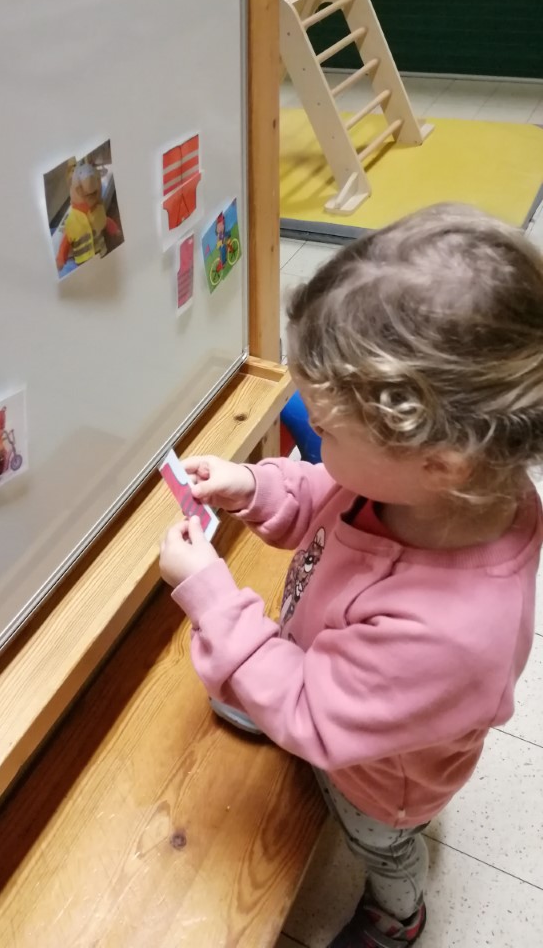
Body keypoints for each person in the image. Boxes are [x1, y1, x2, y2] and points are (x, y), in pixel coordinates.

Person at [159, 204, 543, 948]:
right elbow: (328, 493)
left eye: (327, 430)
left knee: (381, 845)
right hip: (344, 685)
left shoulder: (451, 632)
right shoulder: (441, 489)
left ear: (441, 463)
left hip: (378, 777)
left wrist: (211, 598)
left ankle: (399, 916)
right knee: (283, 693)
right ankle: (272, 682)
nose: (315, 439)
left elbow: (313, 712)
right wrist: (253, 486)